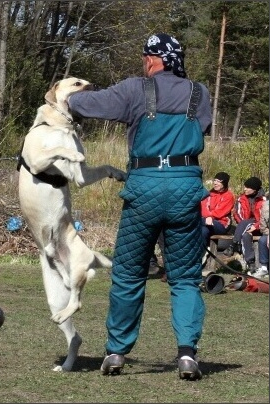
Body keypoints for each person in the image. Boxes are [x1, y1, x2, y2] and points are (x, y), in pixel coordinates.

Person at [67, 33, 212, 380]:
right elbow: (201, 128)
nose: (143, 62)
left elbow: (84, 104)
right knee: (186, 279)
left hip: (144, 190)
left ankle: (116, 351)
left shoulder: (135, 89)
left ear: (152, 59)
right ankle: (187, 355)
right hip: (185, 189)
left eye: (145, 56)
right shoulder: (200, 93)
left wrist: (67, 94)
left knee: (130, 274)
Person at [223, 177, 265, 272]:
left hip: (260, 226)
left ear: (254, 189)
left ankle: (233, 245)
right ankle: (251, 263)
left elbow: (265, 218)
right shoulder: (241, 198)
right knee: (246, 235)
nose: (244, 189)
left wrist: (255, 226)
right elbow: (236, 214)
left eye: (247, 187)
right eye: (244, 187)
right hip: (245, 227)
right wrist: (246, 225)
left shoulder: (263, 200)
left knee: (245, 223)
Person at [252, 196, 269, 278]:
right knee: (262, 240)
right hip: (268, 233)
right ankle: (264, 268)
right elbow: (262, 227)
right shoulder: (265, 206)